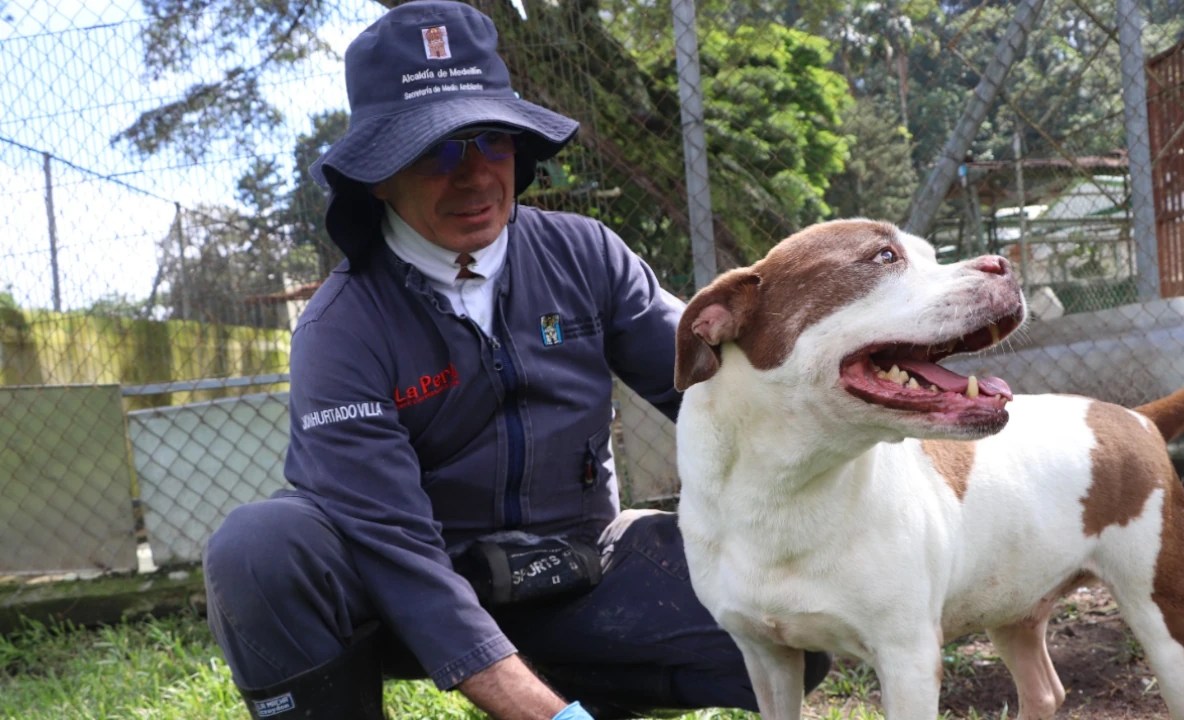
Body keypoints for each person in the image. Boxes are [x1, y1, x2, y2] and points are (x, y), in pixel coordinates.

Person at [200, 2, 830, 719]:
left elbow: (721, 395)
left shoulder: (587, 254)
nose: (471, 178)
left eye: (489, 142)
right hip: (407, 592)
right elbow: (395, 548)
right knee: (260, 548)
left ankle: (570, 683)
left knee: (783, 626)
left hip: (573, 566)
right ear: (378, 175)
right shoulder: (341, 329)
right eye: (433, 152)